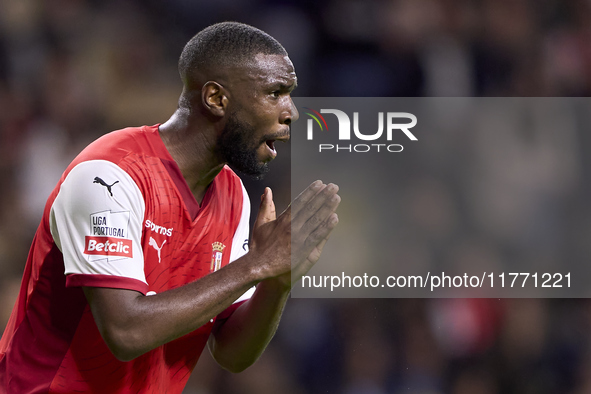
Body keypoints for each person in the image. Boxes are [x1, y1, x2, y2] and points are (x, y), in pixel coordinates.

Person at [0, 22, 340, 393]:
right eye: (275, 93)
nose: (291, 111)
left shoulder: (233, 195)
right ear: (216, 98)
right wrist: (257, 264)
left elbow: (231, 353)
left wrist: (276, 282)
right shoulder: (110, 175)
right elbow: (126, 331)